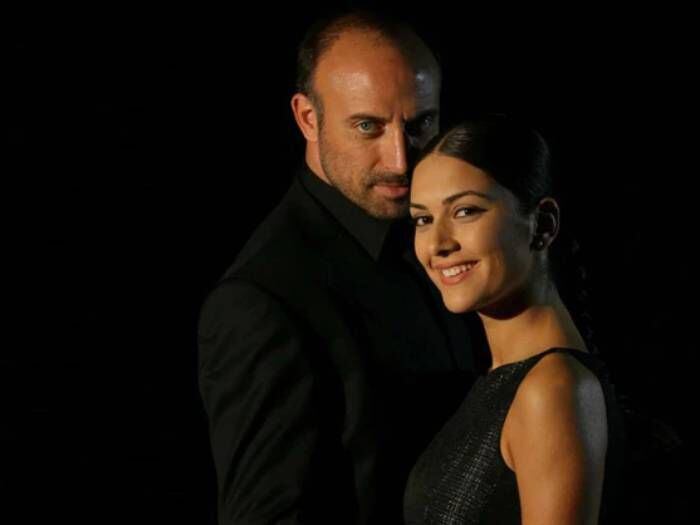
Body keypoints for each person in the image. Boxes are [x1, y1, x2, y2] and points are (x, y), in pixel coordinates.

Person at [197, 11, 479, 524]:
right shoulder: (261, 302)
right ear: (308, 118)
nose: (400, 159)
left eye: (420, 124)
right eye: (368, 126)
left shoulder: (447, 233)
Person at [403, 116, 625, 524]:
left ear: (543, 224)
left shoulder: (552, 389)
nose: (437, 244)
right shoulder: (510, 381)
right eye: (423, 219)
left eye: (466, 211)